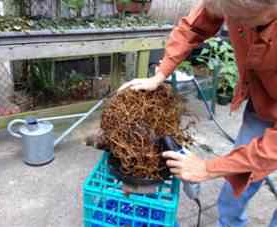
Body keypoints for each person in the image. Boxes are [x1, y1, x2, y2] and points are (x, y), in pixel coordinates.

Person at [118, 0, 277, 226]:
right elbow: (194, 25)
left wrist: (207, 168)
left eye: (244, 21)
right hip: (262, 103)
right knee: (236, 184)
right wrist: (160, 74)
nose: (237, 26)